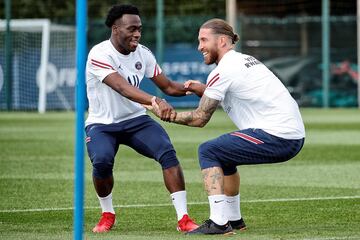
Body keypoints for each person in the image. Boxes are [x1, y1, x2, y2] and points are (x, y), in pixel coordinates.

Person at [147, 18, 305, 235]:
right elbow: (231, 93)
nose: (199, 46)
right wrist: (202, 88)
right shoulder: (244, 60)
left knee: (209, 150)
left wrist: (166, 115)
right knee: (225, 155)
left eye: (204, 40)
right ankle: (234, 219)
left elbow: (200, 118)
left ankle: (219, 222)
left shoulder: (224, 70)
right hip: (289, 134)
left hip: (278, 135)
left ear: (221, 40)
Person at [85, 4, 198, 233]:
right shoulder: (99, 53)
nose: (137, 33)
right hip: (102, 124)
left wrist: (197, 88)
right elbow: (122, 87)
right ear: (115, 29)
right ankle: (107, 214)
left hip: (136, 120)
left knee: (167, 153)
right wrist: (155, 102)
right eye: (131, 29)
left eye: (139, 29)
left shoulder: (143, 53)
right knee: (102, 161)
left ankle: (184, 219)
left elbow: (168, 86)